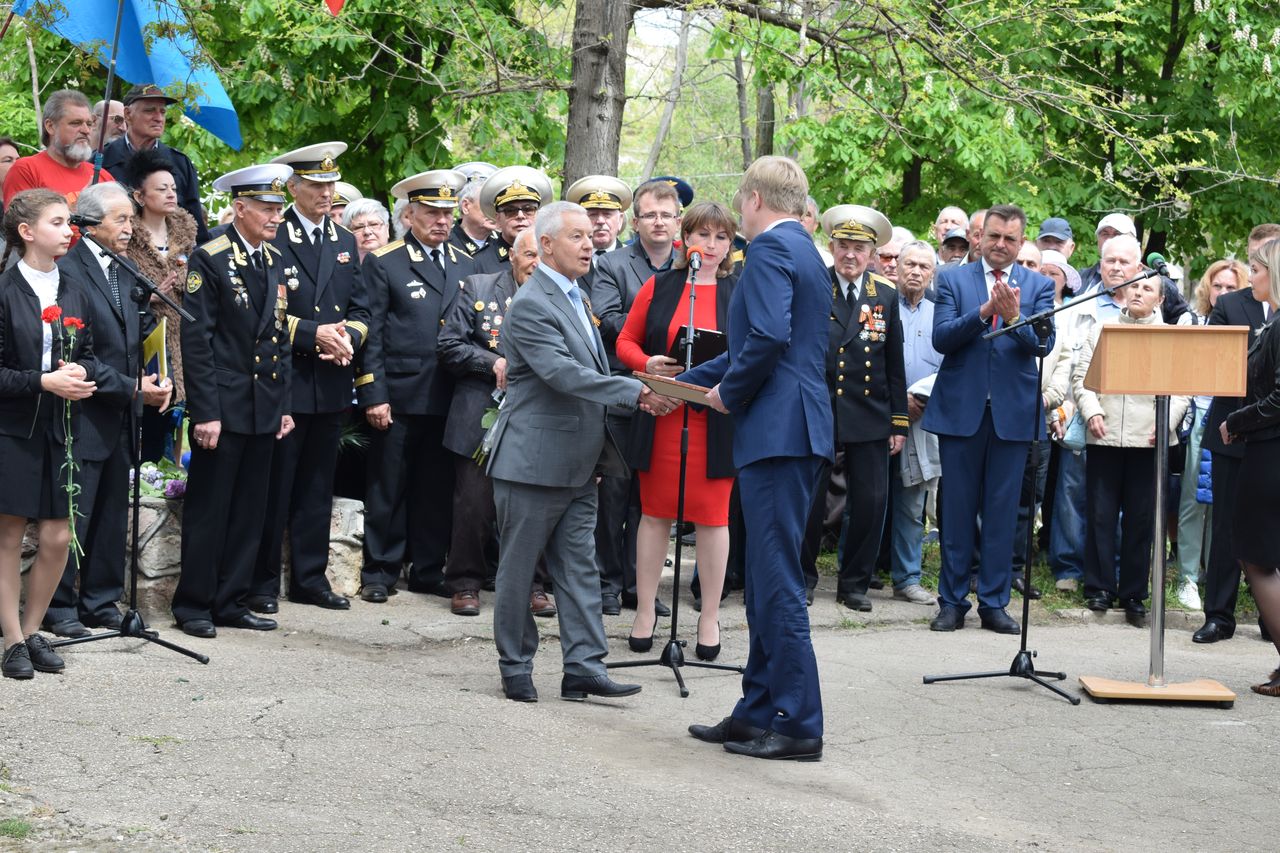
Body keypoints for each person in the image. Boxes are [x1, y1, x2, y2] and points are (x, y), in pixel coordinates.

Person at [483, 200, 675, 704]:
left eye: (591, 235)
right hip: (531, 463)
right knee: (520, 571)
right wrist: (636, 390)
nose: (590, 244)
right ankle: (515, 666)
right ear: (545, 245)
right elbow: (563, 375)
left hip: (578, 462)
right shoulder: (530, 303)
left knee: (579, 569)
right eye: (577, 236)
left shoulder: (574, 295)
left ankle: (584, 667)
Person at [683, 155, 831, 762]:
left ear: (752, 199)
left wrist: (727, 393)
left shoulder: (770, 251)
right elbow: (756, 346)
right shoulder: (804, 252)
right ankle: (756, 711)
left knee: (775, 584)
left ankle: (797, 722)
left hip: (778, 428)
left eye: (740, 202)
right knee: (770, 579)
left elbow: (766, 342)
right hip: (793, 427)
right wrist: (683, 386)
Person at [247, 143, 370, 615]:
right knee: (277, 484)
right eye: (316, 184)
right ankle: (261, 581)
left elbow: (361, 308)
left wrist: (347, 339)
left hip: (331, 378)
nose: (325, 192)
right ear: (293, 187)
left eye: (330, 184)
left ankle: (310, 578)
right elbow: (263, 311)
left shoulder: (342, 241)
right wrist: (312, 334)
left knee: (318, 486)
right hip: (287, 376)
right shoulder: (275, 234)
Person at [43, 182, 170, 639]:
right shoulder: (67, 271)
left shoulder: (126, 268)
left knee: (115, 510)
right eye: (121, 219)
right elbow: (78, 353)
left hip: (123, 413)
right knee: (75, 512)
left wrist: (157, 376)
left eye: (131, 219)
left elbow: (139, 333)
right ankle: (59, 607)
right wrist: (133, 388)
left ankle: (100, 601)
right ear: (90, 224)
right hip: (85, 411)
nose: (129, 228)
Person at [174, 163, 295, 638]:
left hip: (263, 404)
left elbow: (280, 338)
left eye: (278, 208)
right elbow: (197, 341)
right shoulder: (210, 257)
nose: (275, 216)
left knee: (250, 510)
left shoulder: (273, 258)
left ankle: (231, 599)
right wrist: (205, 413)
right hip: (223, 406)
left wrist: (282, 403)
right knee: (211, 510)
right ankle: (194, 605)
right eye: (266, 208)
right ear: (239, 208)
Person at [923, 203, 1055, 634]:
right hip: (962, 411)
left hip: (1012, 415)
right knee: (957, 511)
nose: (1001, 245)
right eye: (993, 236)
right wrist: (983, 312)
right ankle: (952, 601)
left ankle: (995, 602)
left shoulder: (1037, 285)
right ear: (979, 238)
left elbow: (1041, 346)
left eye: (1010, 239)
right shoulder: (953, 279)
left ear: (1021, 242)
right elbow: (942, 339)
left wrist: (1014, 316)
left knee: (1002, 513)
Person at [616, 201, 738, 659]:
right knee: (655, 514)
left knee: (712, 518)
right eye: (703, 235)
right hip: (664, 415)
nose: (710, 245)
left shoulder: (738, 291)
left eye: (721, 237)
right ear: (687, 239)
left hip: (714, 418)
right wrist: (647, 363)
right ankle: (646, 609)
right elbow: (624, 341)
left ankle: (709, 616)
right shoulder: (662, 285)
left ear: (730, 245)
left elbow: (752, 352)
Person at [355, 169, 475, 603]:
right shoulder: (385, 261)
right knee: (388, 485)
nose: (441, 220)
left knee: (436, 488)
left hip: (449, 396)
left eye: (446, 212)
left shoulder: (465, 263)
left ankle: (427, 569)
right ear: (409, 214)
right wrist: (374, 393)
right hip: (401, 394)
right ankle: (380, 570)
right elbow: (373, 335)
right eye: (431, 212)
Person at [0, 189, 97, 678]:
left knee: (58, 536)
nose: (69, 230)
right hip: (13, 428)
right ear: (26, 231)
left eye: (69, 222)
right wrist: (42, 381)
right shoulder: (3, 289)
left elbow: (93, 351)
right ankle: (12, 640)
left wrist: (80, 373)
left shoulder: (74, 286)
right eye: (58, 222)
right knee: (9, 534)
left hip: (63, 429)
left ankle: (34, 628)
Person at [1072, 235, 1190, 626]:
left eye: (1147, 288)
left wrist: (1165, 422)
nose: (1138, 292)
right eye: (1134, 287)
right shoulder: (1103, 330)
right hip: (1104, 435)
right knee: (1101, 515)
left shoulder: (1171, 338)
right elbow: (1081, 377)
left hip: (1149, 440)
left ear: (1160, 299)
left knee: (1142, 520)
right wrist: (1091, 413)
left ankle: (1135, 594)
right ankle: (1099, 588)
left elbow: (1182, 390)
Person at [437, 228, 554, 618]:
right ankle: (465, 583)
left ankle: (534, 585)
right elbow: (449, 345)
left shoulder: (562, 293)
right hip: (478, 415)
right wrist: (493, 363)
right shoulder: (477, 287)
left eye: (543, 255)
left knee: (531, 506)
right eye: (529, 255)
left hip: (536, 418)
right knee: (473, 504)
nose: (536, 263)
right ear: (513, 256)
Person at [802, 203, 906, 613]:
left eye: (859, 247)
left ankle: (855, 583)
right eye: (844, 245)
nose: (850, 254)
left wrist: (898, 420)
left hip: (870, 412)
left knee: (870, 502)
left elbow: (894, 361)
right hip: (821, 408)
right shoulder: (814, 286)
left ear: (872, 254)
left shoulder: (886, 294)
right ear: (831, 246)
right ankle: (803, 578)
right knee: (811, 502)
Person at [590, 179, 683, 617]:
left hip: (671, 396)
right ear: (636, 220)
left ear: (678, 220)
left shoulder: (692, 264)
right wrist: (663, 328)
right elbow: (608, 320)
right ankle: (608, 582)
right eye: (650, 214)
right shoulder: (611, 264)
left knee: (651, 497)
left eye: (667, 214)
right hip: (625, 388)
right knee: (616, 493)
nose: (659, 222)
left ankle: (639, 585)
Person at [1196, 223, 1280, 644]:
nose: (1254, 272)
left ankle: (1272, 623)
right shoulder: (1229, 304)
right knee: (1229, 529)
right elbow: (1218, 364)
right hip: (1235, 431)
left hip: (1268, 435)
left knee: (1266, 538)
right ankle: (1219, 615)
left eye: (1261, 265)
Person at [1221, 237, 1280, 696]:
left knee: (1256, 557)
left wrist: (1236, 421)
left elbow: (1277, 398)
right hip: (1266, 447)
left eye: (1257, 269)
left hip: (1269, 451)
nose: (1251, 277)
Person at [1174, 259, 1247, 610]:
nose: (1223, 293)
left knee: (1224, 505)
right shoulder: (1193, 320)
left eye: (1231, 287)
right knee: (1192, 500)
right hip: (1199, 413)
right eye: (1217, 286)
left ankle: (1215, 575)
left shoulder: (1253, 321)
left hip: (1235, 416)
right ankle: (1187, 576)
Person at [123, 147, 199, 462]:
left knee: (181, 423)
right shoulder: (126, 237)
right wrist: (148, 296)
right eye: (161, 189)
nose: (171, 194)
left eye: (174, 188)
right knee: (151, 431)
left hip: (187, 341)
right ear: (140, 196)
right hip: (146, 343)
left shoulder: (188, 235)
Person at [889, 240, 942, 604]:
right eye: (910, 264)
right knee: (867, 501)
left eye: (924, 266)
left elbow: (950, 368)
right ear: (897, 266)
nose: (916, 272)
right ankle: (855, 576)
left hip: (924, 419)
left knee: (911, 504)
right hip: (878, 417)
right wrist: (896, 402)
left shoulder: (942, 312)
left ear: (932, 273)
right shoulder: (878, 305)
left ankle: (907, 578)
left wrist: (920, 401)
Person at [100, 85, 207, 244]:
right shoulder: (101, 161)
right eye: (150, 111)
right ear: (128, 114)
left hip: (170, 260)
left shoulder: (180, 163)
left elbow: (197, 227)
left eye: (162, 111)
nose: (159, 117)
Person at [3, 90, 114, 210]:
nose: (86, 130)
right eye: (76, 123)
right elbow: (20, 224)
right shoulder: (27, 170)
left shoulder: (103, 175)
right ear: (50, 126)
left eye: (89, 124)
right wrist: (78, 207)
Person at [1075, 212, 1188, 325]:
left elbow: (1185, 319)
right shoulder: (1082, 279)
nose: (1110, 239)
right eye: (1105, 234)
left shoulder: (1159, 284)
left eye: (1117, 234)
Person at [472, 166, 553, 275]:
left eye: (528, 209)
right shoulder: (478, 262)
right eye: (510, 211)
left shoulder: (552, 256)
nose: (520, 216)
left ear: (538, 214)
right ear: (498, 218)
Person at [564, 174, 631, 297]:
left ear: (620, 220)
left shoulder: (635, 260)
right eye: (593, 214)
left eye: (607, 214)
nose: (600, 221)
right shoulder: (567, 260)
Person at [342, 197, 391, 262]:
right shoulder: (342, 270)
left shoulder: (405, 262)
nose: (367, 232)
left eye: (374, 224)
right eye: (358, 227)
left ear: (387, 229)